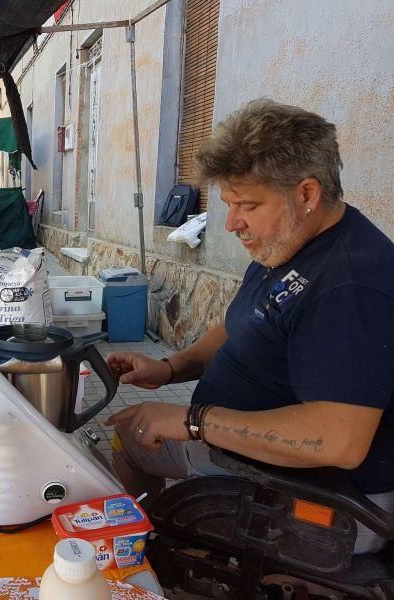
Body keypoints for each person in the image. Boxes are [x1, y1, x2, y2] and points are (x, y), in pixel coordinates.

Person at [107, 100, 394, 513]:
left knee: (133, 437)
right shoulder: (286, 245)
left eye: (248, 206)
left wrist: (193, 421)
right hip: (238, 454)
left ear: (307, 193)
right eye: (228, 204)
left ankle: (164, 557)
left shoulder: (350, 285)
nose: (231, 223)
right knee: (129, 429)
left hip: (312, 495)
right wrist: (171, 368)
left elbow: (339, 440)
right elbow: (240, 325)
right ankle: (156, 543)